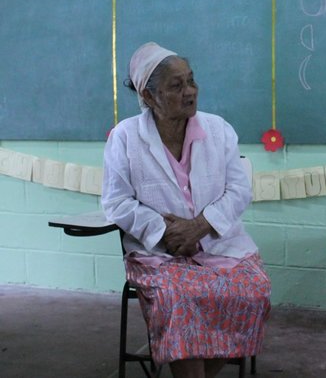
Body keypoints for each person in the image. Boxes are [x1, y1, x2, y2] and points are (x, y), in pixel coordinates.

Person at [102, 42, 271, 378]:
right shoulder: (125, 137)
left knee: (253, 291)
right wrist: (164, 231)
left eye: (191, 81)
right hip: (159, 254)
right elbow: (116, 201)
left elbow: (239, 190)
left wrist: (201, 226)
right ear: (148, 97)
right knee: (179, 297)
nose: (190, 92)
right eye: (176, 86)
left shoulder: (218, 130)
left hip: (219, 246)